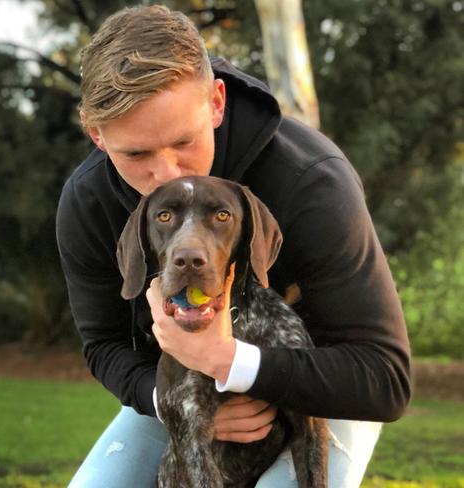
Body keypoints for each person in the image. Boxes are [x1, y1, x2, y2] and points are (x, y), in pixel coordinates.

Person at [56, 5, 411, 487]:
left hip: (321, 398)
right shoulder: (89, 204)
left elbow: (385, 379)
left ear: (217, 102)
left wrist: (227, 361)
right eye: (136, 153)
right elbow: (105, 345)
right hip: (183, 394)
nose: (167, 173)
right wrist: (174, 403)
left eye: (183, 141)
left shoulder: (311, 182)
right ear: (95, 133)